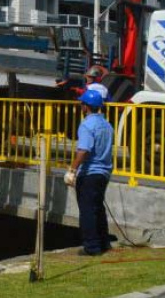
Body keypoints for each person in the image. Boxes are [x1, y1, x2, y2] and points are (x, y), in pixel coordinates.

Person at [64, 89, 114, 256]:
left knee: (87, 211)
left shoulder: (86, 125)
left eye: (82, 104)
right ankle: (104, 243)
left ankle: (92, 247)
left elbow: (83, 151)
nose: (81, 106)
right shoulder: (107, 125)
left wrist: (72, 170)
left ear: (85, 106)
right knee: (98, 208)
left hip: (90, 173)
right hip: (104, 173)